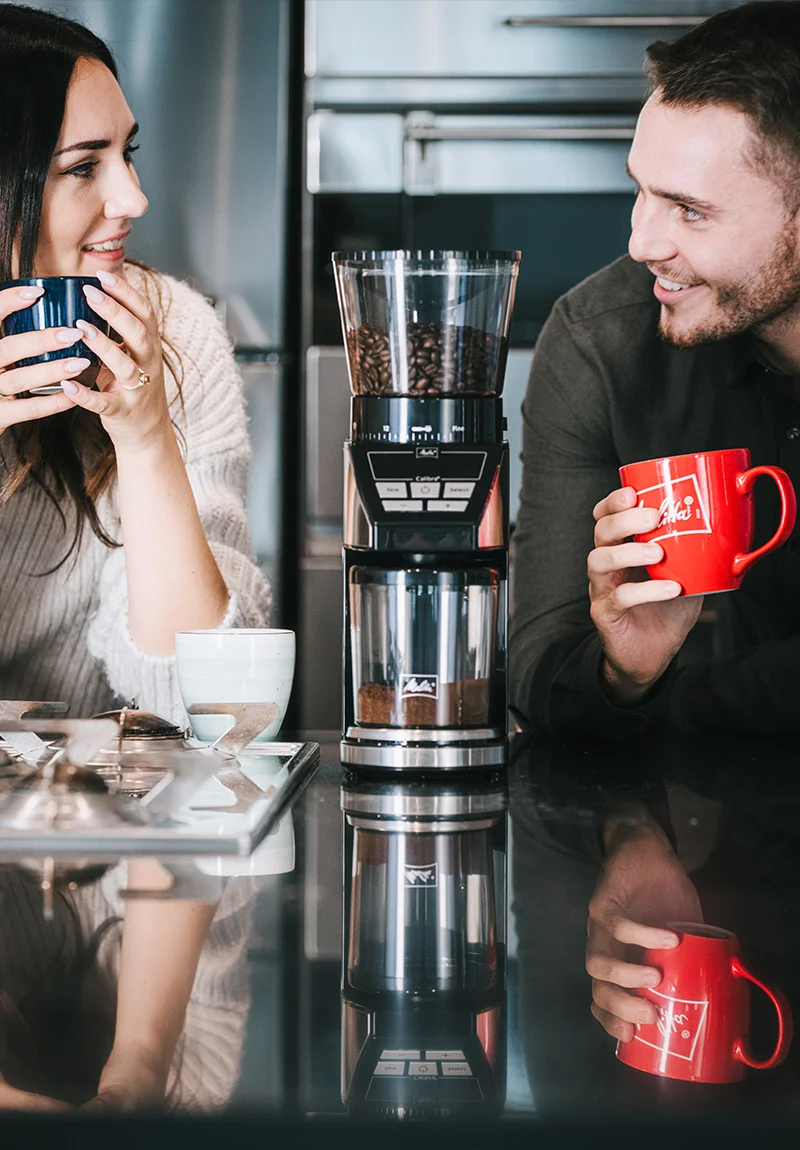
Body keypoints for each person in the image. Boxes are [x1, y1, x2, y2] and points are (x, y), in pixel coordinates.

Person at [510, 0, 800, 739]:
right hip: (682, 837)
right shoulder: (599, 338)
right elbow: (540, 668)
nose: (641, 243)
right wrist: (625, 674)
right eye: (641, 189)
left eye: (688, 210)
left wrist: (682, 707)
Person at [0, 4, 271, 723]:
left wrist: (145, 436)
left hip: (88, 819)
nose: (134, 198)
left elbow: (216, 708)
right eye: (84, 167)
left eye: (128, 154)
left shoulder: (173, 332)